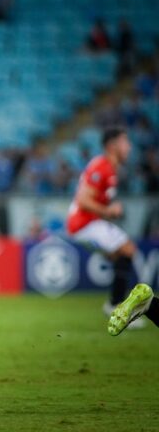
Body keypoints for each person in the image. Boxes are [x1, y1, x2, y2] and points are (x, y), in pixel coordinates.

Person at [66, 127, 144, 328]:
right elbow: (82, 199)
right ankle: (116, 307)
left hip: (87, 224)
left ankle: (114, 306)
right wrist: (109, 211)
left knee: (121, 256)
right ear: (112, 145)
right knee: (128, 249)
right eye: (125, 142)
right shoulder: (103, 166)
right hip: (83, 224)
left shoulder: (108, 167)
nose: (129, 147)